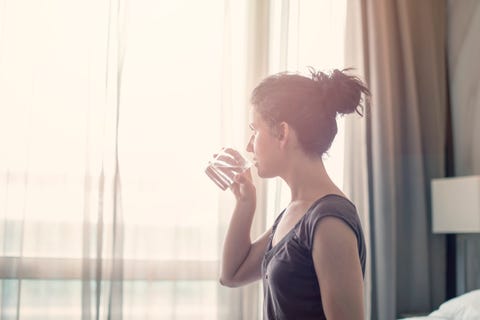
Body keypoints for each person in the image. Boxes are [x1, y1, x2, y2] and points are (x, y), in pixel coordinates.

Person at [219, 68, 369, 320]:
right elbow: (232, 275)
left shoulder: (329, 220)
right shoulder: (296, 212)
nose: (248, 145)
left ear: (283, 133)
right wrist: (245, 202)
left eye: (255, 130)